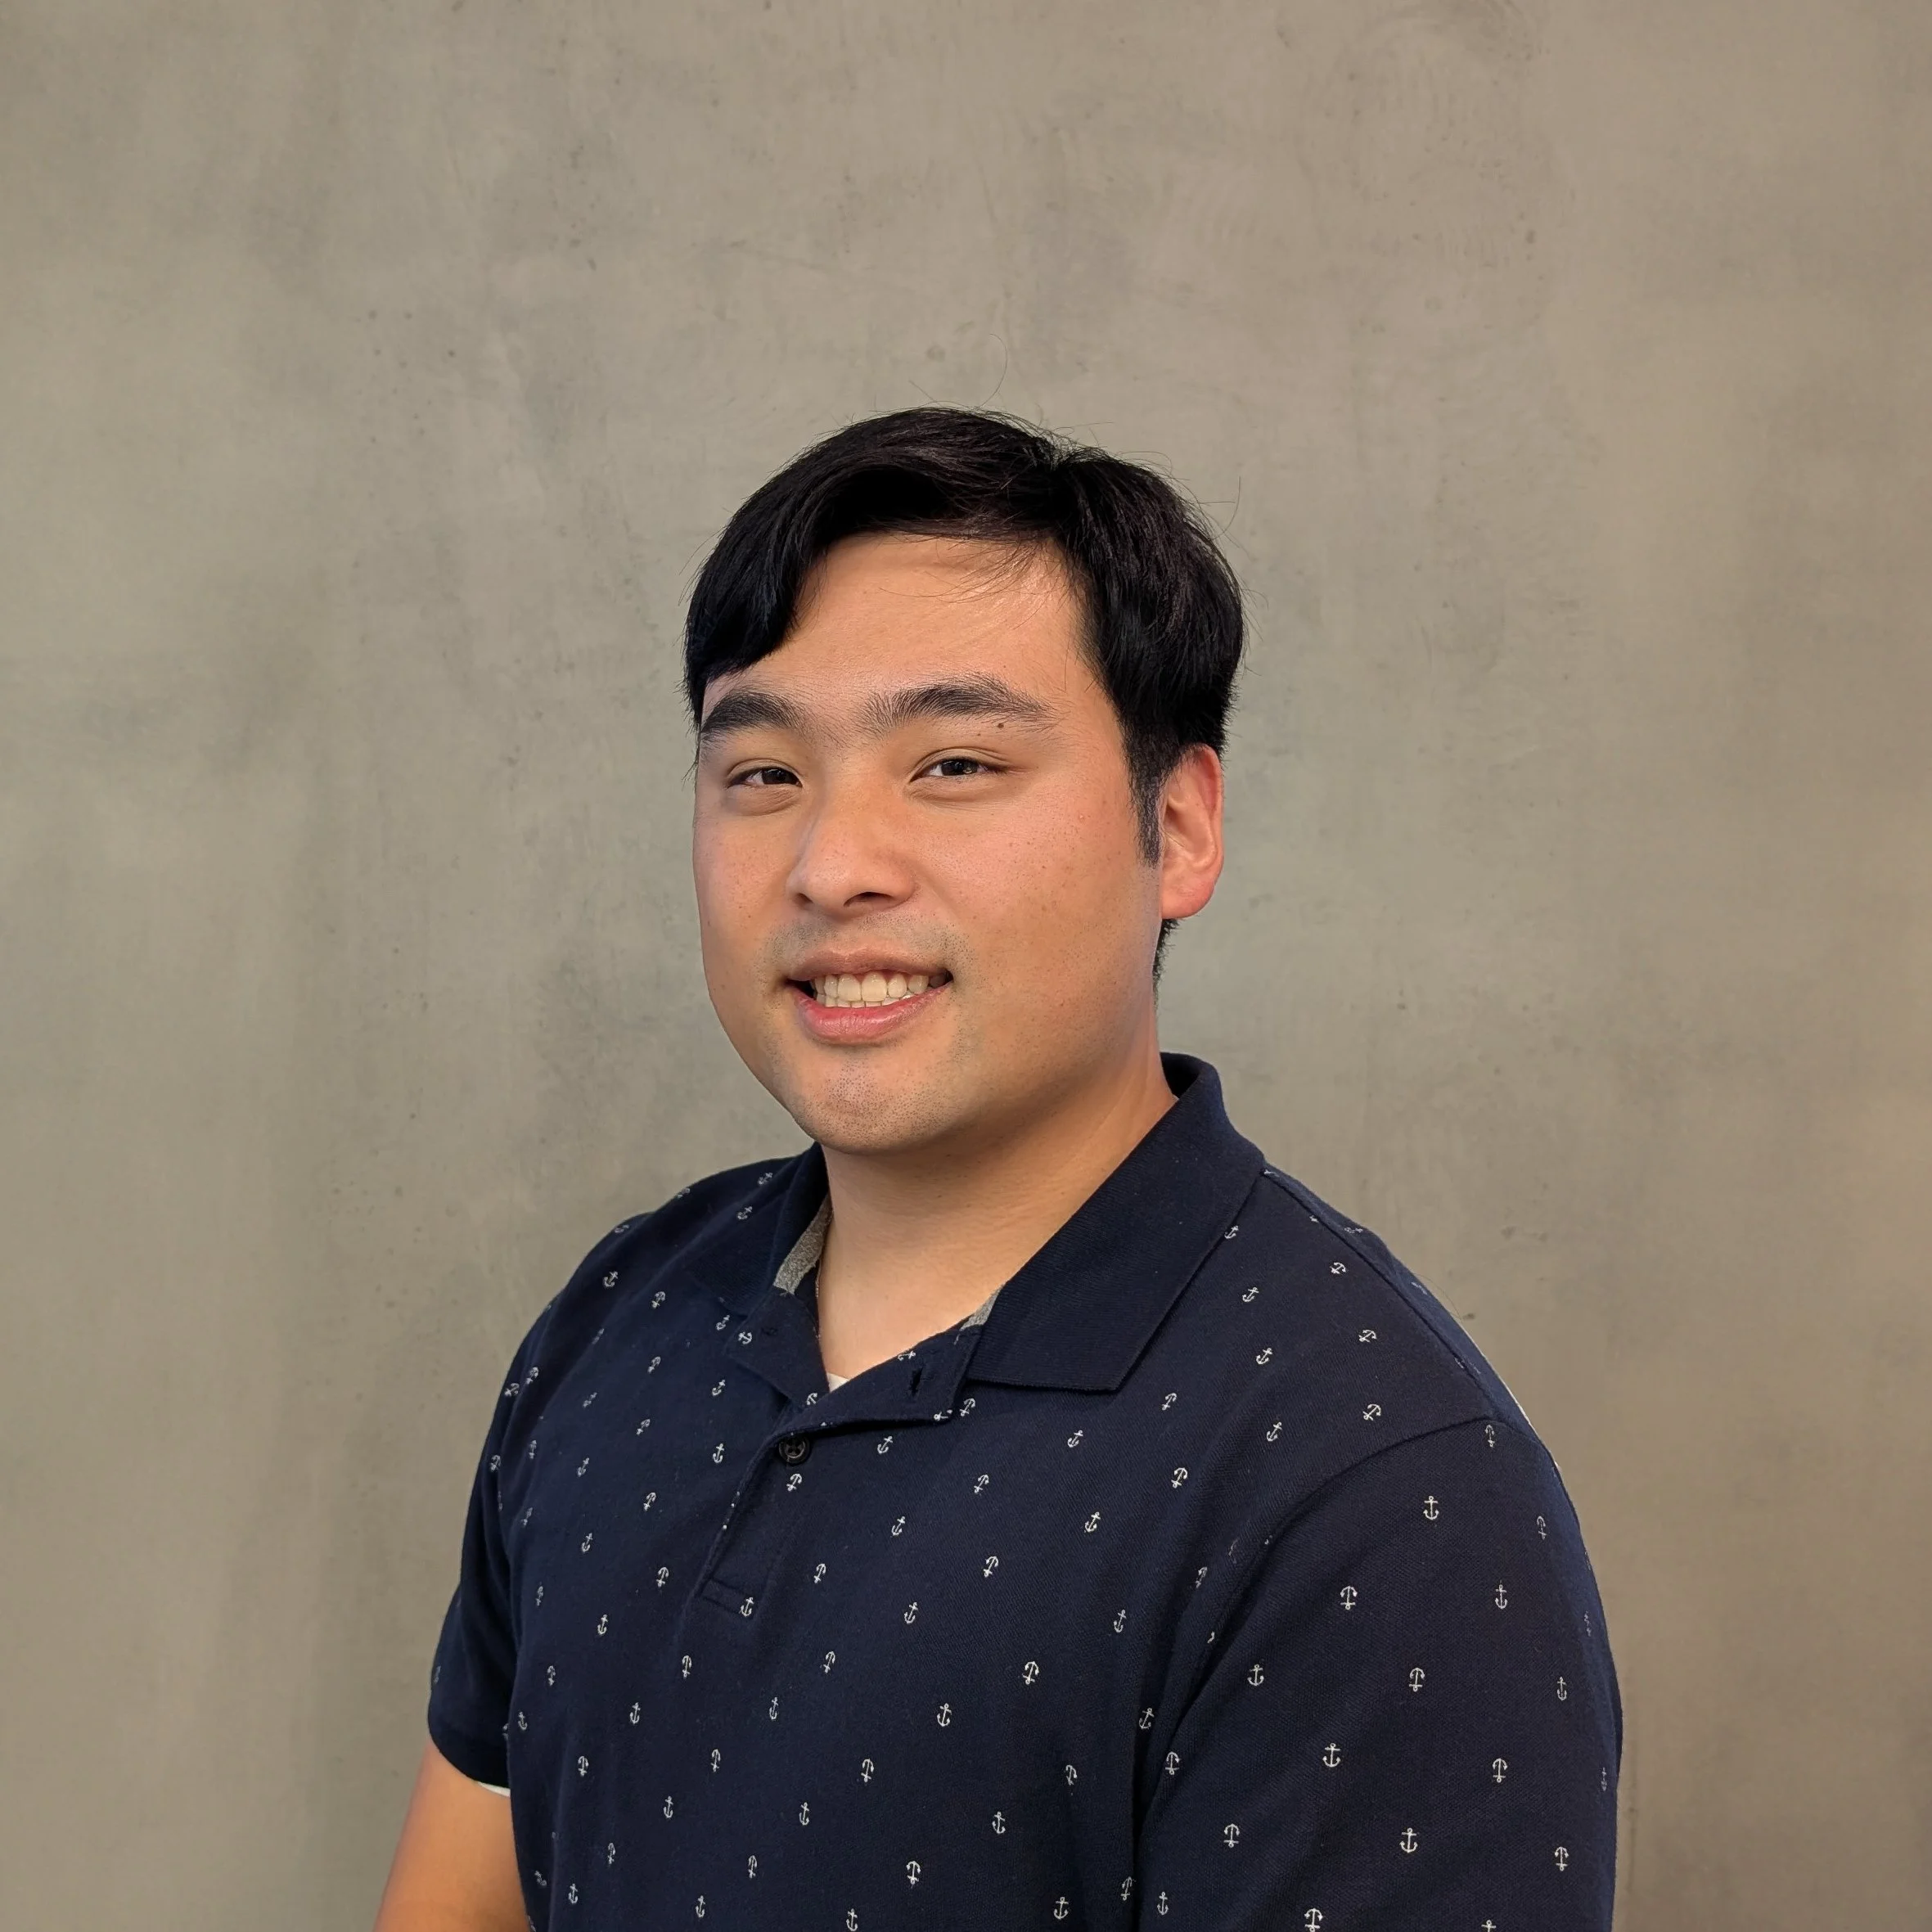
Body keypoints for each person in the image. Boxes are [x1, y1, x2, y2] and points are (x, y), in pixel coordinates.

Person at [374, 408, 1620, 1931]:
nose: (831, 865)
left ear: (1180, 826)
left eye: (954, 763)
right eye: (761, 773)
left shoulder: (1377, 1493)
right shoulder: (621, 1316)